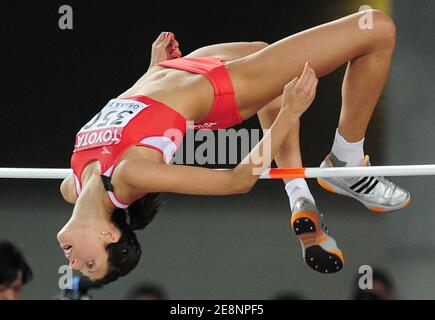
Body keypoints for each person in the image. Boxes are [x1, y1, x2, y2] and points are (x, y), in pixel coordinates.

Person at [58, 10, 410, 285]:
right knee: (377, 29)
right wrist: (287, 114)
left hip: (177, 70)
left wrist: (150, 71)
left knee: (259, 48)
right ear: (109, 234)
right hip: (221, 89)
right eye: (90, 264)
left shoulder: (72, 185)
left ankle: (299, 193)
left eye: (80, 267)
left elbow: (127, 113)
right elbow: (237, 181)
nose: (73, 263)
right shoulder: (128, 177)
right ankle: (346, 162)